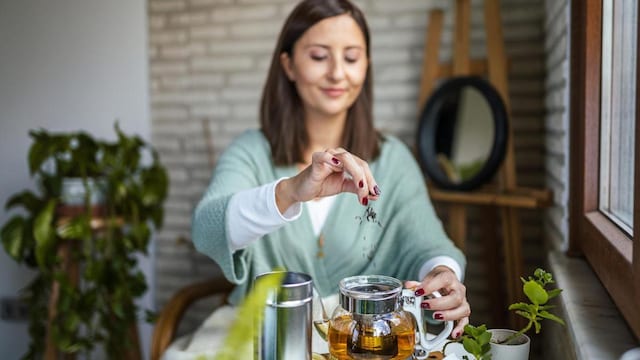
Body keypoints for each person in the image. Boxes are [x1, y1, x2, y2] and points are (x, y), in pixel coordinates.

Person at [176, 0, 470, 356]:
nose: (336, 73)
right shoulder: (252, 151)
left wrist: (443, 276)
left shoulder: (392, 159)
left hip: (364, 342)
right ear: (288, 65)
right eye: (318, 56)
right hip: (264, 337)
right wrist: (290, 192)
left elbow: (427, 242)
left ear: (366, 66)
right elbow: (207, 229)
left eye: (351, 57)